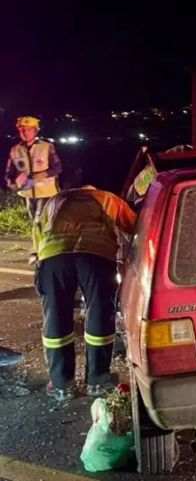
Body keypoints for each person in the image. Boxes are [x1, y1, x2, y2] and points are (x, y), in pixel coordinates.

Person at [33, 186, 136, 401]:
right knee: (99, 312)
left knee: (55, 316)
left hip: (54, 256)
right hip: (96, 255)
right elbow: (134, 229)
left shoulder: (55, 200)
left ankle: (61, 386)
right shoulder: (109, 199)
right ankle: (97, 381)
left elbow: (38, 232)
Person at [5, 116, 63, 222]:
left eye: (28, 130)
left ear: (35, 131)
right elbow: (10, 170)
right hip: (27, 191)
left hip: (46, 192)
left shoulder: (47, 147)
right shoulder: (15, 149)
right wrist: (10, 182)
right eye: (22, 130)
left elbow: (57, 168)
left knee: (40, 219)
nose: (25, 132)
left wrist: (41, 175)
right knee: (33, 220)